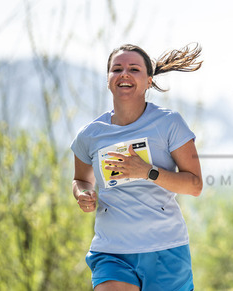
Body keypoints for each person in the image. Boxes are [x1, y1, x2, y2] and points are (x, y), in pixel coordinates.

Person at [72, 43, 203, 291]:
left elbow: (194, 185)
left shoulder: (169, 123)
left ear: (148, 81)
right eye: (117, 69)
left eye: (134, 69)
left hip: (166, 248)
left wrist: (147, 171)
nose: (124, 74)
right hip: (111, 250)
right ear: (108, 79)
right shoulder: (90, 134)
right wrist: (83, 193)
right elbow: (81, 179)